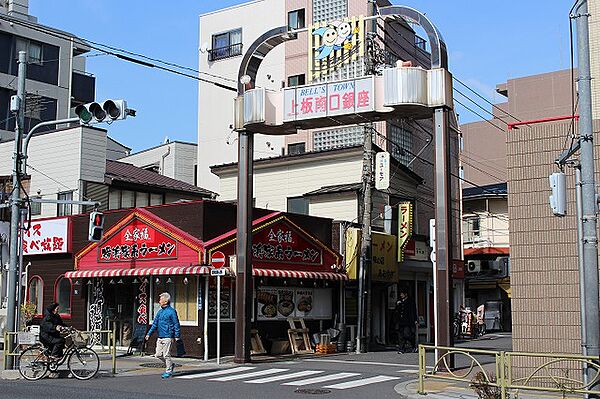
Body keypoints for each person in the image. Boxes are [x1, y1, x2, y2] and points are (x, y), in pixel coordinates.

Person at [145, 292, 181, 379]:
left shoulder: (172, 312)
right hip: (160, 336)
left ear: (166, 301)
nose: (159, 301)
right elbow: (155, 324)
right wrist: (149, 333)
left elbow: (176, 324)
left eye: (161, 299)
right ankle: (171, 365)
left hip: (168, 336)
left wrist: (176, 335)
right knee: (158, 354)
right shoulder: (160, 312)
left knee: (166, 355)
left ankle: (168, 371)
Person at [393, 288, 418, 354]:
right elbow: (397, 312)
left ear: (406, 294)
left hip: (408, 321)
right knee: (400, 336)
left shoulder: (411, 301)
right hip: (400, 321)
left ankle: (413, 345)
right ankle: (401, 349)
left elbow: (414, 311)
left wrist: (415, 319)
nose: (401, 295)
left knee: (407, 335)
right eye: (400, 294)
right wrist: (397, 305)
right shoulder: (400, 302)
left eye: (402, 294)